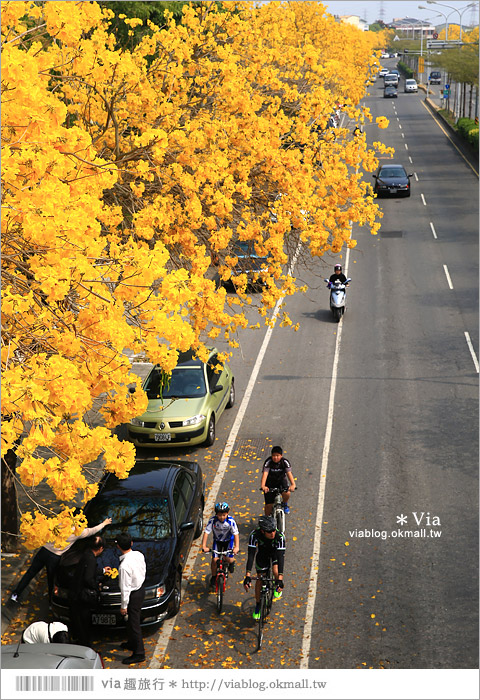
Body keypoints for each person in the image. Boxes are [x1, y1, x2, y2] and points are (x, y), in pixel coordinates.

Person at [10, 516, 112, 604]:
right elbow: (92, 531)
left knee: (30, 573)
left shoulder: (60, 523)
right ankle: (51, 602)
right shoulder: (77, 532)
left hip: (44, 551)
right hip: (55, 557)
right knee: (51, 580)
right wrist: (104, 523)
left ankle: (16, 593)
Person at [243, 516, 286, 620]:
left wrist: (280, 579)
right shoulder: (254, 535)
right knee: (260, 578)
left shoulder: (280, 537)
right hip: (262, 554)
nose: (272, 533)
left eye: (273, 530)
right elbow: (251, 555)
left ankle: (276, 585)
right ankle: (258, 605)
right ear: (262, 531)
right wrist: (247, 576)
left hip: (275, 553)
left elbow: (281, 558)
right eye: (269, 531)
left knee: (275, 570)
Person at [113, 532, 146, 665]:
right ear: (131, 543)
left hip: (133, 594)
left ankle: (139, 653)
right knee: (132, 622)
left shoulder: (124, 566)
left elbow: (125, 588)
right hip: (141, 589)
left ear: (118, 546)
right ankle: (132, 643)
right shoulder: (139, 554)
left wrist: (123, 606)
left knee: (134, 623)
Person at [68, 535, 105, 648]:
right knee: (84, 624)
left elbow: (87, 570)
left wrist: (102, 570)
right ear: (100, 548)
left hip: (75, 595)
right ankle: (85, 646)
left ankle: (81, 642)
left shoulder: (86, 554)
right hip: (81, 597)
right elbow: (88, 578)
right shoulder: (91, 559)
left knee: (79, 623)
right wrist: (96, 586)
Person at [201, 502, 240, 588]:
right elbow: (206, 533)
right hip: (217, 541)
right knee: (215, 560)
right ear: (216, 514)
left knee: (229, 559)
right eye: (219, 515)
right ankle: (214, 576)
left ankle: (231, 563)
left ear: (227, 513)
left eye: (224, 515)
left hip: (228, 541)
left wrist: (236, 547)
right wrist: (204, 546)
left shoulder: (231, 521)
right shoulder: (213, 521)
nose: (221, 517)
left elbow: (236, 534)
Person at [260, 446, 295, 516]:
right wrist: (263, 486)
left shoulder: (285, 462)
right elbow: (265, 474)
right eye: (273, 456)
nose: (275, 457)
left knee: (287, 493)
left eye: (277, 456)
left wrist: (293, 484)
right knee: (268, 506)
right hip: (270, 483)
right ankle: (267, 519)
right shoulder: (268, 462)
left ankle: (284, 504)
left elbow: (289, 473)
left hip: (281, 482)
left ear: (281, 456)